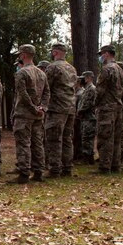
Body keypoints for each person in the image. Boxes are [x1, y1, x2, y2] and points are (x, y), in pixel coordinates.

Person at [10, 44, 49, 184]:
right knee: (37, 143)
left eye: (20, 54)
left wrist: (33, 108)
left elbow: (22, 94)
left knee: (23, 143)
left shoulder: (22, 73)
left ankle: (24, 173)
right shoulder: (41, 73)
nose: (19, 57)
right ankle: (38, 172)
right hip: (38, 115)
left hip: (24, 114)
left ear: (24, 55)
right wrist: (42, 107)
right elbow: (46, 93)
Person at [44, 43, 78, 178]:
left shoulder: (53, 67)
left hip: (57, 108)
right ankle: (67, 168)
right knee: (67, 139)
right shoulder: (72, 68)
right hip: (70, 108)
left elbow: (46, 87)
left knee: (54, 139)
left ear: (55, 52)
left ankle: (54, 169)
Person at [94, 45, 123, 173]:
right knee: (116, 139)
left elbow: (100, 90)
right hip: (118, 107)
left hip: (107, 108)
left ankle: (104, 166)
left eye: (101, 54)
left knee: (105, 137)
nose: (100, 57)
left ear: (106, 54)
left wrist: (95, 104)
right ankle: (115, 165)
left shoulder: (107, 69)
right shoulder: (119, 69)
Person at [77, 72, 96, 165]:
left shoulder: (91, 89)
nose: (82, 79)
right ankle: (87, 157)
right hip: (86, 117)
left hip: (89, 117)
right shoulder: (87, 89)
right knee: (85, 137)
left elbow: (87, 104)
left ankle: (88, 158)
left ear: (88, 78)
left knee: (87, 138)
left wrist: (80, 111)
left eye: (83, 77)